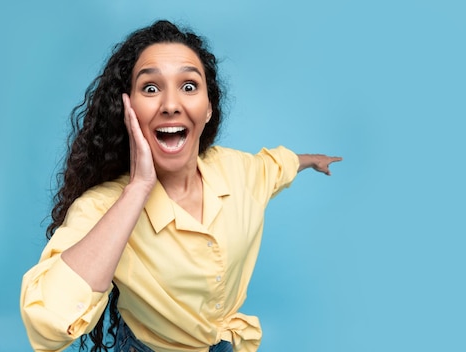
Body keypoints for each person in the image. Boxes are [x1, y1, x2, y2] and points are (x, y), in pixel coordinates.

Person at [20, 20, 342, 352]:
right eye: (150, 88)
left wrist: (312, 160)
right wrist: (139, 187)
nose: (171, 104)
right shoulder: (103, 207)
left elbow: (277, 165)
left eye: (188, 86)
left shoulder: (237, 169)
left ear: (207, 109)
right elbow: (49, 322)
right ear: (127, 109)